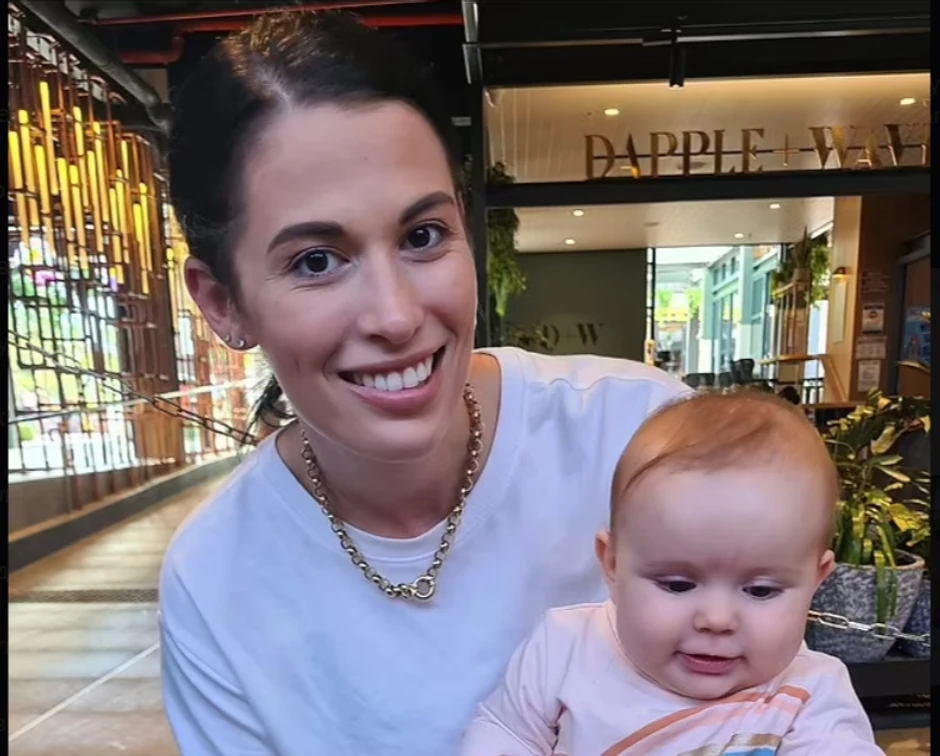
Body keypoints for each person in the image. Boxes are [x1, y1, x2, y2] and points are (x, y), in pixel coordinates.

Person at [158, 10, 689, 756]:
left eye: (422, 236)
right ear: (222, 303)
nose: (396, 315)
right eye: (316, 261)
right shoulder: (216, 579)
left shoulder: (639, 441)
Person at [461, 393, 884, 755]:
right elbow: (504, 735)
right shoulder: (563, 649)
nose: (716, 619)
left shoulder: (810, 694)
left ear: (816, 579)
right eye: (678, 585)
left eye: (759, 591)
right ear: (612, 563)